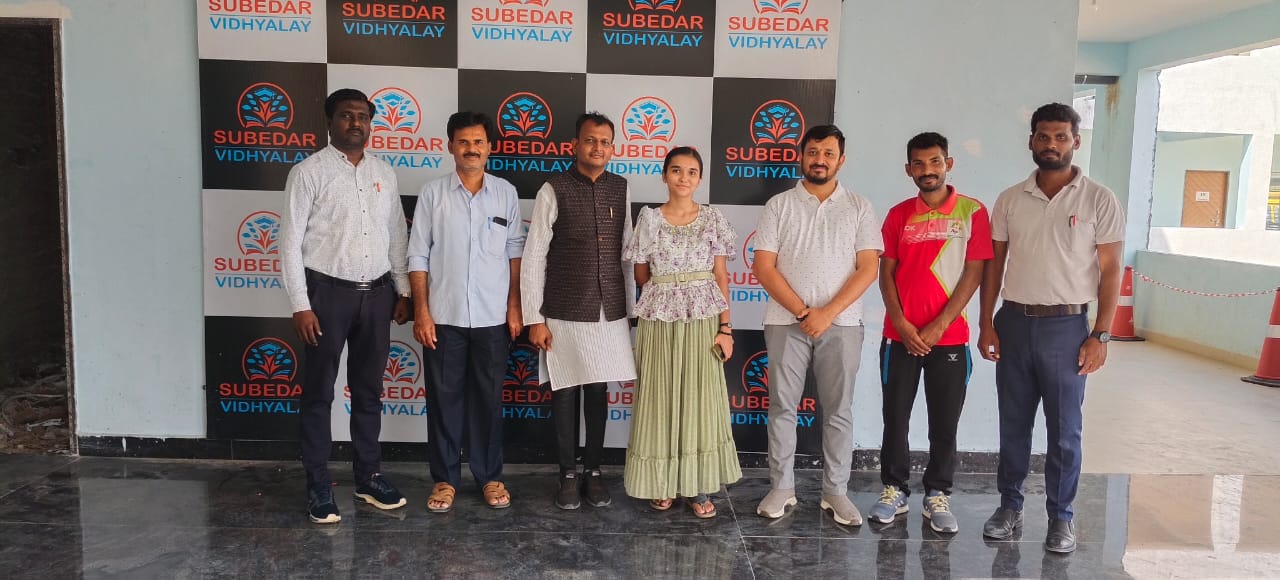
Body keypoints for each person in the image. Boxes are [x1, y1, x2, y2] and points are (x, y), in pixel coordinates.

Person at [977, 103, 1124, 554]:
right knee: (1013, 425)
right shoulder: (1009, 199)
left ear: (1076, 141)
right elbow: (994, 265)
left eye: (1061, 137)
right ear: (1031, 141)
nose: (1051, 144)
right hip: (1014, 323)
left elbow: (1112, 269)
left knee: (1065, 431)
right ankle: (1009, 505)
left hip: (1068, 328)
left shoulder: (1098, 199)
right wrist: (986, 323)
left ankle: (1061, 516)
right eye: (1043, 136)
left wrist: (1101, 334)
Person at [280, 88, 412, 524]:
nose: (355, 123)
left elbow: (396, 233)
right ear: (329, 122)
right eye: (346, 115)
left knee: (369, 391)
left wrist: (402, 289)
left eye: (362, 116)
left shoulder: (383, 172)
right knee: (319, 392)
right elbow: (289, 243)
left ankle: (368, 476)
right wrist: (301, 304)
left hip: (377, 296)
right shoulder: (308, 172)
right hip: (325, 296)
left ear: (371, 123)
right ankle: (318, 483)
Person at [752, 124, 882, 525]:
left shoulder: (859, 206)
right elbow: (764, 267)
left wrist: (827, 312)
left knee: (838, 410)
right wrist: (804, 312)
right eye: (813, 152)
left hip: (842, 324)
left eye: (828, 153)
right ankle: (782, 487)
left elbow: (868, 268)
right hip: (785, 321)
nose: (819, 160)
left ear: (841, 160)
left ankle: (835, 492)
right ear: (801, 156)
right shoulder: (779, 205)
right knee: (782, 407)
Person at [869, 132, 993, 533]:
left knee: (944, 423)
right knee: (895, 418)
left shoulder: (973, 212)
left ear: (948, 164)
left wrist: (939, 326)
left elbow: (974, 273)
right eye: (919, 164)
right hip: (899, 337)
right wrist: (902, 324)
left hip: (950, 338)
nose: (928, 170)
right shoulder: (898, 215)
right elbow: (885, 273)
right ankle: (894, 489)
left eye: (935, 162)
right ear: (909, 170)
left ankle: (938, 493)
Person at [407, 111, 525, 513]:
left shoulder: (506, 193)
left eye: (478, 142)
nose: (471, 149)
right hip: (444, 317)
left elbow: (514, 252)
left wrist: (514, 307)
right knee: (444, 400)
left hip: (493, 317)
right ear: (450, 146)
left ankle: (490, 477)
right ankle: (444, 479)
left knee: (488, 401)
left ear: (489, 147)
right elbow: (418, 255)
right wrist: (422, 312)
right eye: (463, 142)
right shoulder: (432, 194)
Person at [520, 112, 637, 510]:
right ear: (575, 145)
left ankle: (594, 471)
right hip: (563, 310)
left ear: (612, 148)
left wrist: (631, 308)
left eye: (604, 142)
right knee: (565, 391)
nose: (597, 148)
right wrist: (534, 318)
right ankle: (567, 474)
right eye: (590, 140)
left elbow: (626, 253)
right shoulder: (553, 189)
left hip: (609, 311)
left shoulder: (621, 188)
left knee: (598, 390)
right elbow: (534, 256)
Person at [622, 147, 742, 518]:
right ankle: (661, 484)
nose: (683, 178)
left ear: (699, 179)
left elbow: (721, 275)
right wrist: (669, 286)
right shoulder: (648, 219)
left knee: (700, 400)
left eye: (691, 172)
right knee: (659, 398)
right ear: (664, 175)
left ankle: (696, 486)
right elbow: (641, 275)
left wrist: (725, 327)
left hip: (703, 319)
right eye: (676, 170)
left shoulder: (713, 218)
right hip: (660, 319)